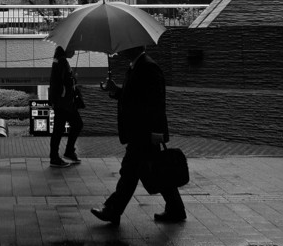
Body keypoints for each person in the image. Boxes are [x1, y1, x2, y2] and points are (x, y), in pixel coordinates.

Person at [91, 46, 186, 225]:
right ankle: (176, 209)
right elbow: (134, 97)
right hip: (140, 131)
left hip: (144, 132)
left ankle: (112, 210)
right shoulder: (136, 66)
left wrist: (156, 132)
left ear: (133, 48)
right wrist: (115, 90)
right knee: (155, 170)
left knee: (129, 172)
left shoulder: (148, 67)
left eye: (124, 47)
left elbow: (156, 101)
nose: (120, 50)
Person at [48, 46, 83, 167]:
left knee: (58, 129)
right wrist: (73, 78)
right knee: (77, 124)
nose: (74, 51)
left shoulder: (58, 60)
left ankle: (57, 155)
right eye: (72, 49)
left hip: (60, 102)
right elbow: (64, 82)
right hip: (64, 103)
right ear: (66, 49)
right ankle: (64, 153)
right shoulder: (62, 61)